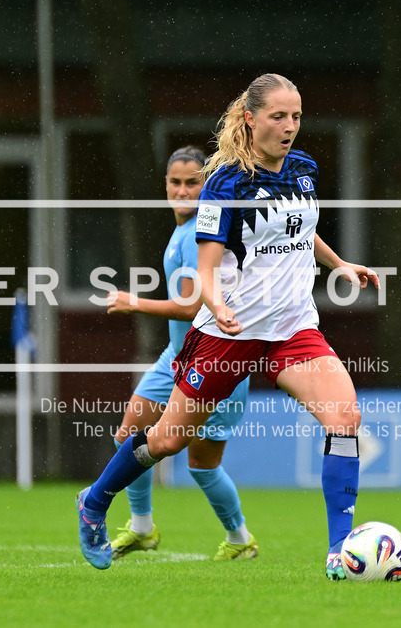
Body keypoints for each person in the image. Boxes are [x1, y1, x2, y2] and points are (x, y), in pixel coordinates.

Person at [74, 73, 379, 579]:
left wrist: (340, 264)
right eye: (278, 116)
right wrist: (216, 306)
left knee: (344, 420)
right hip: (227, 334)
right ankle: (95, 501)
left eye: (296, 116)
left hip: (293, 329)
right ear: (250, 118)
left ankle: (339, 551)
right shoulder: (225, 183)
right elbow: (208, 269)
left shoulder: (304, 168)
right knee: (169, 442)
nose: (289, 127)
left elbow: (301, 229)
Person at [103, 145, 256, 561]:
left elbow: (191, 307)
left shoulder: (199, 235)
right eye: (176, 182)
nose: (184, 191)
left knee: (201, 465)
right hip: (175, 356)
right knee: (129, 437)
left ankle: (240, 539)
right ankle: (142, 527)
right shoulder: (182, 231)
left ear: (206, 186)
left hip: (213, 360)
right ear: (166, 185)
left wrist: (133, 302)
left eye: (193, 183)